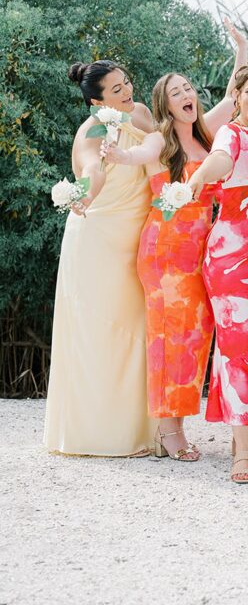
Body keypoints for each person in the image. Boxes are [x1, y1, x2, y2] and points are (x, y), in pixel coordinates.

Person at [101, 58, 247, 461]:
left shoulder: (208, 135)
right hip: (163, 251)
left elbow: (235, 93)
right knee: (167, 337)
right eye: (175, 92)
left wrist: (240, 49)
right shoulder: (160, 142)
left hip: (198, 254)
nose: (186, 95)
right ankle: (169, 430)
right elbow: (139, 153)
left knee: (195, 337)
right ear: (164, 106)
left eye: (188, 88)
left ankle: (177, 421)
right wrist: (121, 156)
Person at [44, 60, 157, 456]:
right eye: (116, 90)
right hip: (98, 241)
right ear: (96, 100)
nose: (126, 92)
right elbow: (94, 169)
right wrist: (85, 195)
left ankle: (140, 429)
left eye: (126, 83)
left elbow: (177, 137)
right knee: (101, 332)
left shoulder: (138, 115)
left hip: (135, 244)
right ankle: (100, 434)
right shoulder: (92, 130)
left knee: (136, 329)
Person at [189, 57, 248, 484]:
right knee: (239, 347)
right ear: (237, 97)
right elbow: (219, 161)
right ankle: (241, 453)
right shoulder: (230, 133)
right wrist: (199, 178)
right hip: (234, 257)